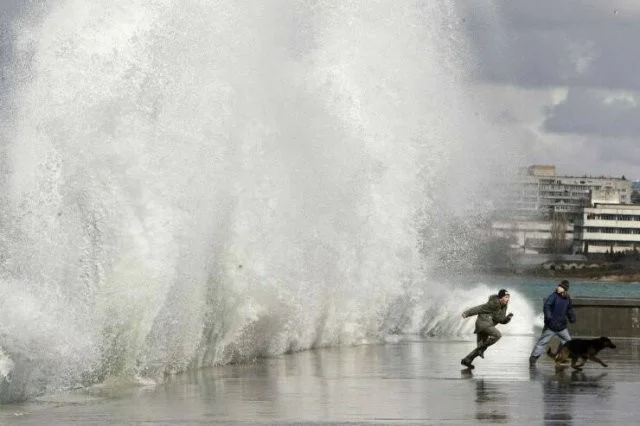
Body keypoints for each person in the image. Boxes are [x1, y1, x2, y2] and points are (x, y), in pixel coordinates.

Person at [460, 289, 514, 369]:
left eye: (508, 297)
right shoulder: (493, 303)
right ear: (500, 297)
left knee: (480, 349)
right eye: (506, 297)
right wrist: (467, 313)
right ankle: (473, 355)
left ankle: (467, 360)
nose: (508, 299)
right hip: (483, 324)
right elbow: (480, 308)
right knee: (497, 335)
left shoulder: (504, 306)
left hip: (488, 325)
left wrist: (507, 319)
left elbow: (500, 320)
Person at [529, 280, 576, 367]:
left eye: (560, 287)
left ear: (565, 289)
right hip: (551, 326)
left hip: (562, 327)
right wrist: (549, 316)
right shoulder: (553, 296)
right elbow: (547, 306)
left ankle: (560, 356)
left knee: (568, 342)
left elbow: (569, 309)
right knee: (542, 342)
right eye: (558, 286)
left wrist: (572, 318)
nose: (558, 287)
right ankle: (533, 358)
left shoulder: (567, 298)